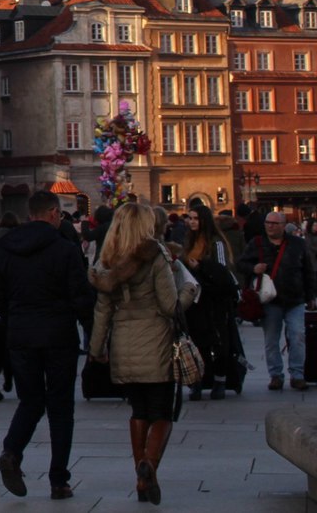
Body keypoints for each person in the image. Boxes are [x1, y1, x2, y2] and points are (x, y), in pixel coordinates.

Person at [0, 190, 95, 501]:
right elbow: (81, 297)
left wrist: (12, 314)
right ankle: (58, 480)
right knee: (61, 407)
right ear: (51, 214)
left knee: (30, 401)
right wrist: (93, 333)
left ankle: (11, 451)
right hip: (59, 335)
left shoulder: (4, 247)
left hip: (21, 334)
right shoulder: (64, 249)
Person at [89, 202, 193, 506]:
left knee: (138, 410)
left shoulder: (106, 260)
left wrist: (97, 348)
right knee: (163, 412)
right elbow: (168, 306)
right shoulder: (156, 257)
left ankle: (142, 479)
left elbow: (102, 310)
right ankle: (148, 463)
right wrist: (190, 292)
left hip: (124, 344)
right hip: (157, 343)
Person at [239, 210, 317, 391]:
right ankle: (276, 375)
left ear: (284, 226)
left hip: (295, 298)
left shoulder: (297, 244)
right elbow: (241, 264)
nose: (270, 226)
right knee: (271, 340)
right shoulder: (257, 243)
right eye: (268, 223)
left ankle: (297, 375)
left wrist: (311, 296)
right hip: (270, 300)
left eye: (274, 223)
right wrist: (254, 268)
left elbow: (308, 270)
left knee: (297, 336)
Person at [179, 205, 241, 400]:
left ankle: (220, 380)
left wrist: (202, 266)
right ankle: (197, 381)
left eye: (196, 218)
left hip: (215, 300)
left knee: (219, 342)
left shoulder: (216, 243)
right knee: (197, 343)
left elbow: (222, 272)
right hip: (196, 300)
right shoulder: (189, 241)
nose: (192, 222)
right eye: (190, 218)